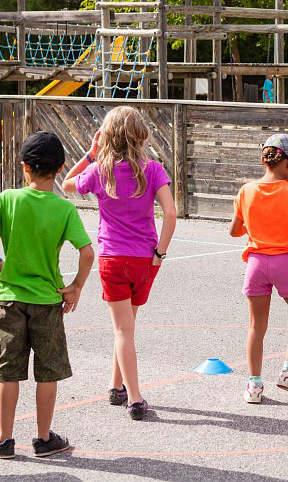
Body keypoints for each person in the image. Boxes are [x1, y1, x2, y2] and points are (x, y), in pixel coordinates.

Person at [0, 131, 95, 459]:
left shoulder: (8, 199)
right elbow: (86, 253)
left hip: (10, 299)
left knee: (9, 371)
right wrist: (76, 286)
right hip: (48, 301)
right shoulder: (63, 209)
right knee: (48, 371)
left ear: (25, 167)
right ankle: (43, 438)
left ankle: (4, 440)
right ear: (61, 168)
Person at [61, 106, 177, 420]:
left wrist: (90, 153)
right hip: (144, 259)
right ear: (140, 137)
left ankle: (134, 397)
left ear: (108, 137)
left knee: (122, 329)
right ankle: (116, 385)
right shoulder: (152, 169)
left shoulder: (100, 169)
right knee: (126, 326)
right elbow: (170, 213)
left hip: (113, 258)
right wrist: (160, 253)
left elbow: (66, 185)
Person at [230, 134, 288, 403]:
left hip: (255, 262)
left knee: (257, 326)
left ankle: (254, 385)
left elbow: (235, 231)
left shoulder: (246, 190)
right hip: (285, 261)